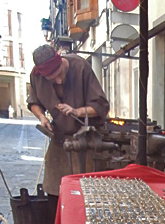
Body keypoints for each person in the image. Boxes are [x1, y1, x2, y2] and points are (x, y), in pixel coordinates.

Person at [27, 45, 110, 205]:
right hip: (60, 140)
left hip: (87, 140)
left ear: (60, 59)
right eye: (52, 79)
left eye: (59, 74)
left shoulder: (80, 67)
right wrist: (42, 117)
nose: (58, 81)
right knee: (53, 189)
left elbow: (101, 106)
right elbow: (34, 102)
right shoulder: (37, 76)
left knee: (85, 193)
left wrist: (77, 111)